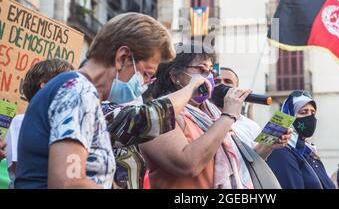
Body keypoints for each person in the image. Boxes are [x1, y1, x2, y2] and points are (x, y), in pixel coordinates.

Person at [15, 13, 211, 189]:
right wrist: (190, 89)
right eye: (145, 74)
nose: (143, 84)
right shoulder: (77, 90)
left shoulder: (84, 95)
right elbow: (68, 182)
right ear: (122, 58)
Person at [140, 43, 256, 189]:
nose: (208, 77)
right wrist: (227, 116)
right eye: (201, 70)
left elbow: (243, 163)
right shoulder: (156, 113)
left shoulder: (211, 114)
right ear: (175, 76)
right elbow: (188, 165)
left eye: (211, 71)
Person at [6, 59, 74, 189]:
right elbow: (22, 171)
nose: (75, 88)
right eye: (69, 83)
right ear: (46, 87)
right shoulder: (22, 121)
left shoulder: (66, 125)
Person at [213, 66, 291, 159]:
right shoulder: (203, 116)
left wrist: (269, 144)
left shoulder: (251, 125)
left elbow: (255, 159)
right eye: (216, 82)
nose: (222, 85)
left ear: (237, 89)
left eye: (228, 81)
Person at [266, 91, 335, 189]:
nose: (310, 117)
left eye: (313, 112)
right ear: (289, 115)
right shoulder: (280, 149)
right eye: (303, 112)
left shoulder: (309, 152)